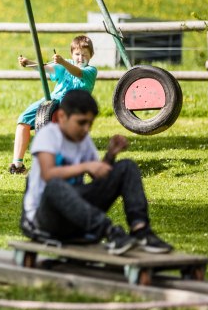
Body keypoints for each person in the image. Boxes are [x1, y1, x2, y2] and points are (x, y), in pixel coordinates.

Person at [20, 89, 173, 255]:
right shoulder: (48, 135)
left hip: (75, 214)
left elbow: (97, 175)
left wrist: (110, 156)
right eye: (81, 122)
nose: (86, 129)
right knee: (55, 185)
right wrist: (85, 167)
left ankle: (141, 229)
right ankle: (110, 232)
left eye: (90, 124)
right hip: (45, 218)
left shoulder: (83, 139)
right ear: (62, 117)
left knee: (127, 167)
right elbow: (48, 174)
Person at [10, 35, 97, 174]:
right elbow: (47, 69)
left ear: (91, 55)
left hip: (73, 107)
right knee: (23, 121)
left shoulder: (91, 71)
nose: (80, 58)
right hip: (52, 102)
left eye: (84, 55)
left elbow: (77, 72)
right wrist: (29, 62)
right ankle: (17, 164)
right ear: (72, 54)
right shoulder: (65, 64)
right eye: (77, 54)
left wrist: (63, 62)